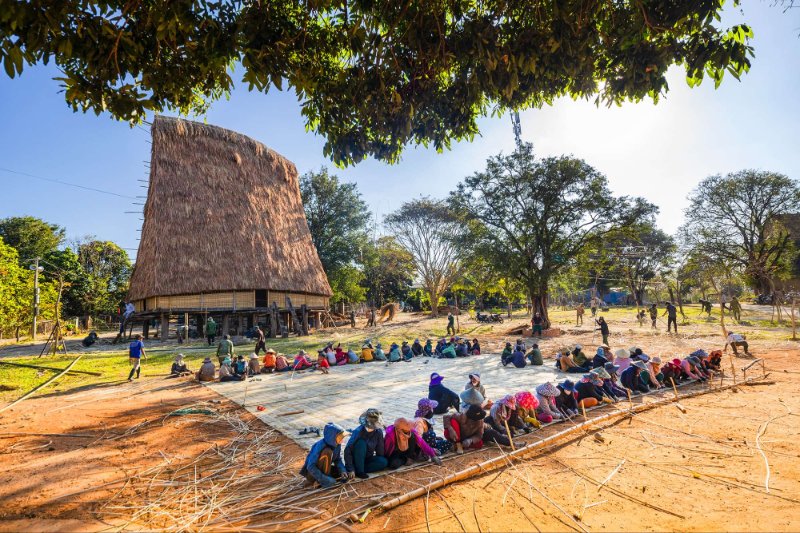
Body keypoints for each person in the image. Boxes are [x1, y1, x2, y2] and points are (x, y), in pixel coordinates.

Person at [444, 404, 511, 454]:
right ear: (469, 417)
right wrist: (450, 429)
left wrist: (470, 440)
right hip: (455, 435)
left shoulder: (480, 421)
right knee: (453, 422)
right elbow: (446, 416)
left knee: (480, 443)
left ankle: (459, 445)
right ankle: (457, 444)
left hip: (467, 437)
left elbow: (479, 435)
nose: (477, 421)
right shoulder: (461, 416)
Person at [301, 423, 349, 488]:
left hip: (325, 469)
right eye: (340, 437)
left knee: (343, 474)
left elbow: (337, 459)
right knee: (328, 452)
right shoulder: (319, 446)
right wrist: (325, 479)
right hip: (312, 474)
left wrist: (342, 470)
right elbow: (310, 466)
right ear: (332, 437)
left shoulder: (337, 444)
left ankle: (323, 480)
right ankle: (316, 481)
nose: (342, 439)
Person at [344, 409, 388, 478]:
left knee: (384, 462)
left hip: (367, 459)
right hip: (356, 458)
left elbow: (380, 450)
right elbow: (347, 450)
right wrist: (350, 468)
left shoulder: (378, 432)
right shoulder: (358, 432)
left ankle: (359, 469)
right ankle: (360, 471)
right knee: (361, 443)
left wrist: (379, 460)